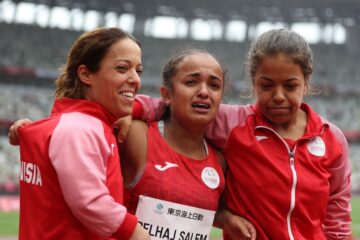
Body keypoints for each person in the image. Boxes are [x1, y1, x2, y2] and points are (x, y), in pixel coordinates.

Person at [129, 29, 353, 239]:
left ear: (305, 83)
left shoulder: (331, 137)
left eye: (290, 86)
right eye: (266, 85)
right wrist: (129, 110)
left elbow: (338, 219)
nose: (279, 96)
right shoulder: (232, 123)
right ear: (254, 83)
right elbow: (175, 106)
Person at [9, 49, 257, 239]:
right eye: (191, 82)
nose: (204, 91)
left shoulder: (219, 160)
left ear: (221, 98)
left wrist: (226, 220)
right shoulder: (137, 135)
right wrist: (42, 131)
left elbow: (205, 211)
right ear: (167, 94)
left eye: (214, 85)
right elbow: (82, 143)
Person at [9, 27, 150, 240]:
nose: (135, 80)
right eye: (122, 68)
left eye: (138, 71)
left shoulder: (74, 126)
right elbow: (90, 202)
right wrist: (137, 233)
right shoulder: (79, 130)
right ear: (85, 74)